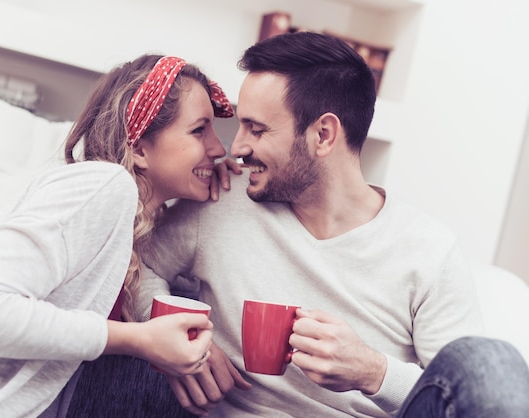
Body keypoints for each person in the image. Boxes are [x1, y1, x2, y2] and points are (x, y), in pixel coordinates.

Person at [135, 32, 529, 417]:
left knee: (489, 359)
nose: (236, 148)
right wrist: (178, 341)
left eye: (257, 129)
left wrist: (373, 371)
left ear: (323, 135)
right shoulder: (223, 202)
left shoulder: (428, 249)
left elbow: (456, 393)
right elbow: (137, 266)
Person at [0, 54, 236, 417]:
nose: (220, 148)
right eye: (199, 130)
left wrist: (234, 189)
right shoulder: (106, 185)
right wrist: (138, 341)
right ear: (139, 147)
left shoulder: (131, 227)